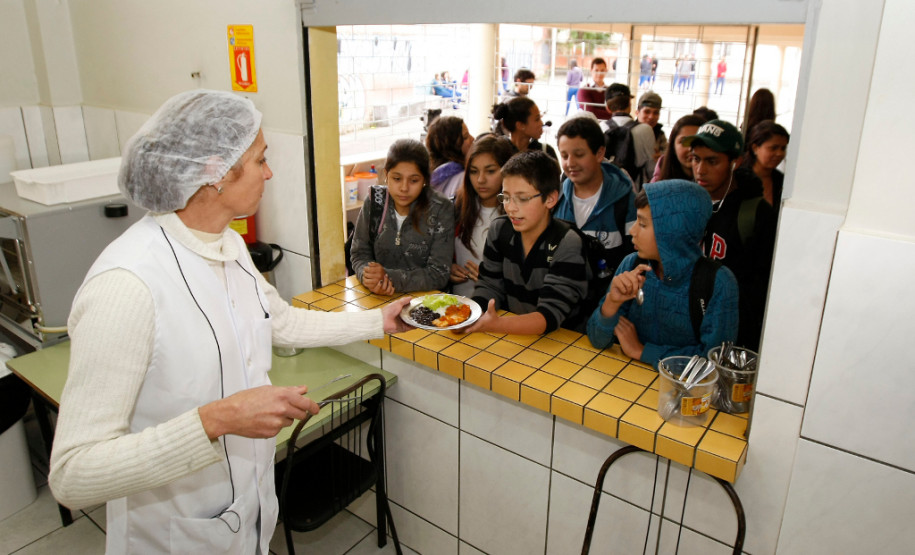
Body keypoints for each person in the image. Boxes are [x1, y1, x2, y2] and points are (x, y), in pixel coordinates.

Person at [47, 90, 412, 554]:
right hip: (173, 536)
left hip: (245, 515)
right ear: (213, 175)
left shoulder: (227, 244)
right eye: (260, 159)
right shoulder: (126, 285)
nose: (269, 171)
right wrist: (215, 420)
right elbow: (73, 475)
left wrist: (379, 321)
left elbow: (279, 322)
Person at [587, 181, 739, 368]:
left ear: (672, 232)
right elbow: (597, 340)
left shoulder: (718, 283)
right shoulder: (632, 264)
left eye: (642, 224)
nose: (632, 231)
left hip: (683, 394)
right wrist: (611, 304)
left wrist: (642, 351)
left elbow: (715, 363)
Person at [467, 150, 589, 335]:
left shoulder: (567, 242)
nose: (511, 207)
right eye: (506, 197)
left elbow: (549, 315)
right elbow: (489, 286)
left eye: (522, 199)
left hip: (562, 342)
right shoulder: (500, 230)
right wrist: (470, 316)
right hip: (515, 333)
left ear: (550, 199)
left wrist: (497, 325)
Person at [683, 119, 776, 351]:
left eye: (712, 161)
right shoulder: (684, 201)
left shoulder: (756, 213)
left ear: (735, 162)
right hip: (684, 327)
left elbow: (761, 287)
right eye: (695, 159)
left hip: (731, 336)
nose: (700, 169)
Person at [351, 139, 455, 295]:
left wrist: (387, 277)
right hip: (377, 297)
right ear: (386, 175)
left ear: (425, 180)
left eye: (414, 180)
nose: (404, 188)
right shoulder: (375, 202)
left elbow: (439, 273)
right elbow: (359, 253)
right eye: (397, 179)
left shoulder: (441, 208)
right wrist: (368, 277)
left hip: (425, 304)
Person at [554, 116, 636, 273]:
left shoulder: (625, 201)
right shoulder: (556, 198)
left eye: (579, 154)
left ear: (599, 153)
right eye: (564, 156)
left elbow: (633, 259)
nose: (570, 163)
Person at [451, 136, 514, 296]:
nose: (480, 180)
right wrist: (446, 267)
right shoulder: (457, 208)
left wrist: (492, 282)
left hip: (498, 312)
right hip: (456, 309)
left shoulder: (517, 214)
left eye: (490, 171)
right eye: (473, 171)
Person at [601, 83, 655, 191]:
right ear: (630, 105)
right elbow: (651, 169)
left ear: (608, 108)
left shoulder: (601, 128)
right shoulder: (646, 130)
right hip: (636, 192)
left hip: (606, 190)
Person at [743, 120, 790, 217]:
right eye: (773, 148)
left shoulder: (781, 181)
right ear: (755, 148)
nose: (779, 153)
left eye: (783, 148)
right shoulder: (739, 178)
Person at [492, 96, 557, 160]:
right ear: (520, 125)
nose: (541, 123)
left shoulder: (546, 152)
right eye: (537, 119)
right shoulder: (499, 152)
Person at [426, 115, 473, 199]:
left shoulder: (430, 177)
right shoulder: (463, 178)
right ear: (451, 145)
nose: (473, 139)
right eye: (466, 137)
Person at [652, 114, 705, 182]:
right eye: (683, 141)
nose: (690, 149)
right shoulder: (656, 186)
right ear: (673, 146)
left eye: (697, 142)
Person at [636, 91, 668, 181]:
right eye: (647, 112)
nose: (651, 117)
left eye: (656, 113)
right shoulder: (628, 132)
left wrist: (661, 158)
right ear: (637, 112)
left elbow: (667, 155)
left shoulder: (660, 135)